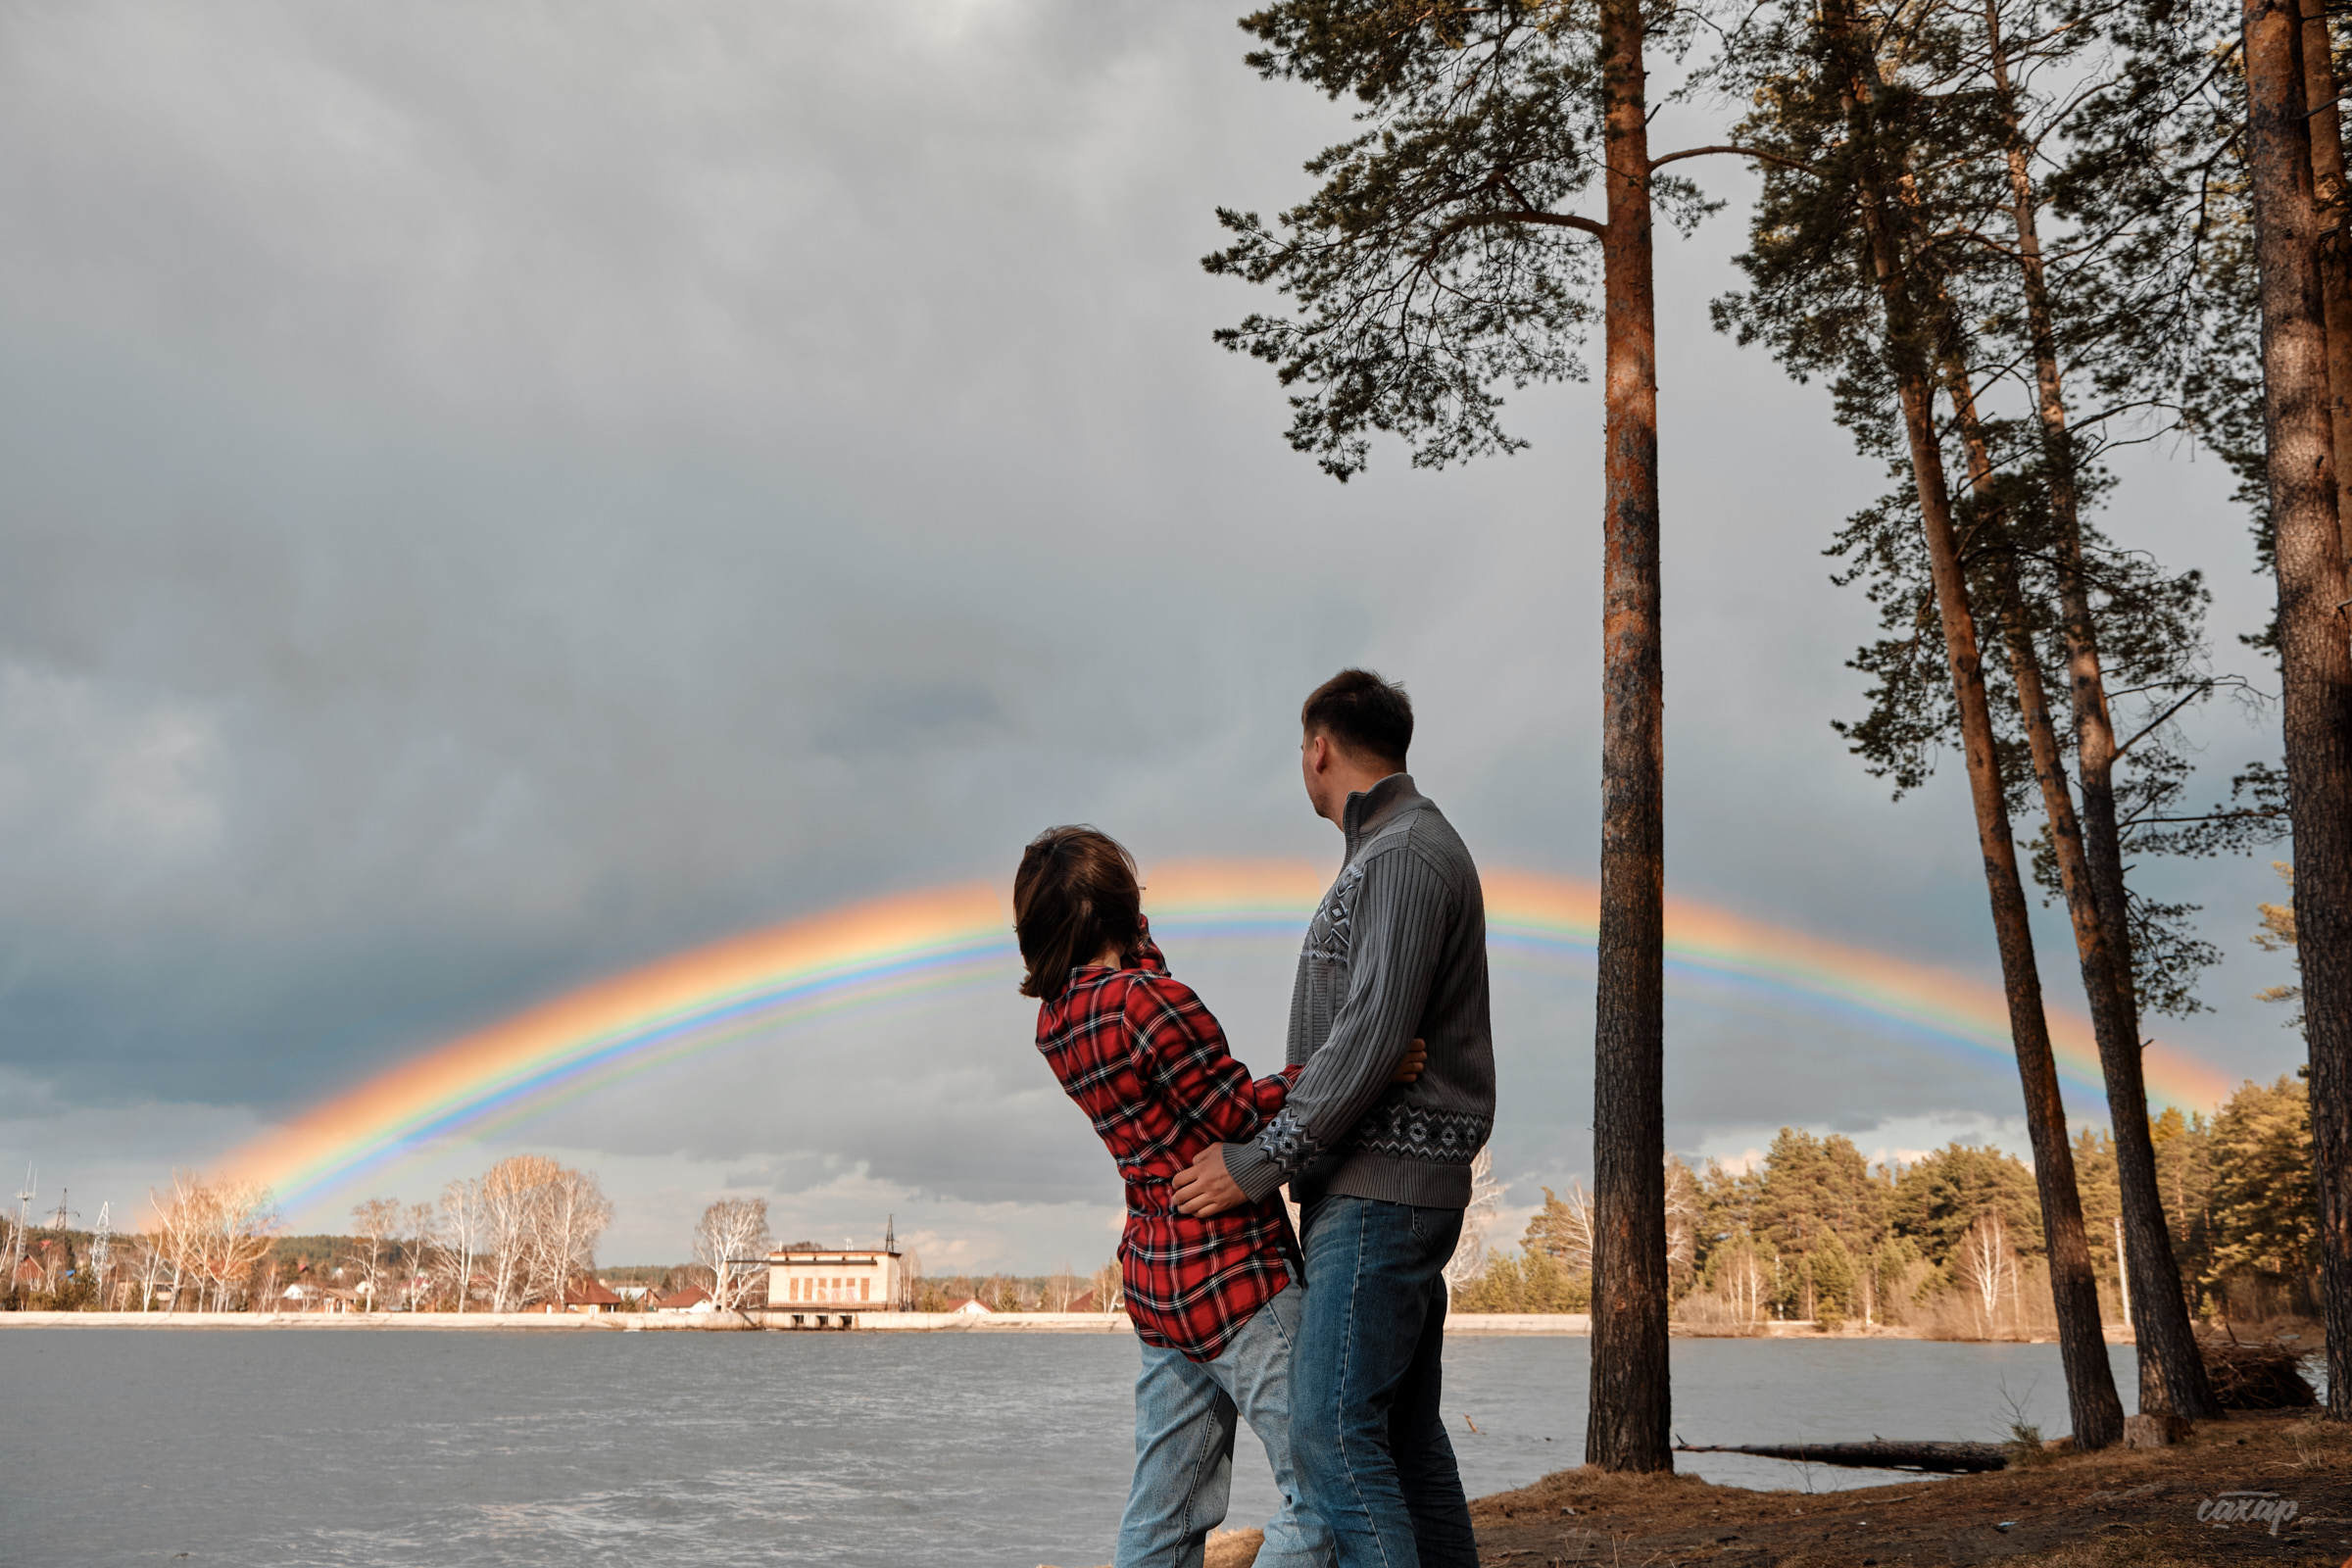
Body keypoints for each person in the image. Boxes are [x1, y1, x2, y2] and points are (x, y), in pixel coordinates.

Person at [1016, 825, 1425, 1568]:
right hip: (1234, 1280)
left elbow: (1153, 1020)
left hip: (1156, 1286)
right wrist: (1351, 1065)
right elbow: (1239, 1114)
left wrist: (1126, 927)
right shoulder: (1152, 1005)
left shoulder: (1057, 1021)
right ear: (1122, 907)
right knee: (1326, 1491)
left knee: (1164, 1513)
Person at [1169, 668, 1494, 1568]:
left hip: (1379, 1193)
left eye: (1299, 750)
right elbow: (1370, 1039)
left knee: (1331, 1437)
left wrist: (1255, 1163)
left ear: (1319, 747)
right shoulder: (1387, 851)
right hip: (1380, 1186)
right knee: (1400, 1436)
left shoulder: (1402, 855)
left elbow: (1373, 1032)